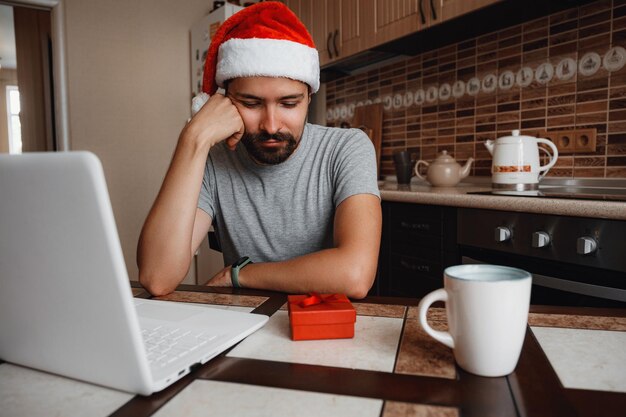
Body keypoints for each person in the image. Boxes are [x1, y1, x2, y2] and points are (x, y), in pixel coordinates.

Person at [137, 1, 381, 298]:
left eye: (289, 103)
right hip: (246, 326)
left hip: (325, 327)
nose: (271, 124)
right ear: (224, 101)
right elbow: (157, 277)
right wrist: (194, 137)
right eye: (251, 103)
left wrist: (239, 274)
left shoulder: (347, 147)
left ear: (308, 98)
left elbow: (355, 274)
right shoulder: (213, 161)